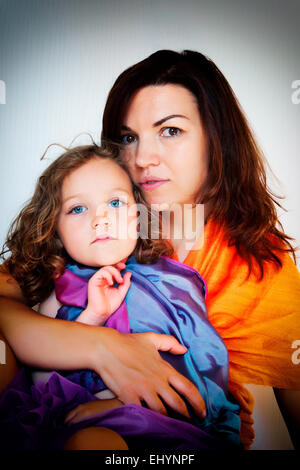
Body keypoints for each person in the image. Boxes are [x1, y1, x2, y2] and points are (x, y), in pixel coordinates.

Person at [0, 49, 299, 449]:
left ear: (217, 140)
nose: (142, 158)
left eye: (170, 131)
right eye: (128, 137)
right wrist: (103, 347)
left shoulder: (257, 262)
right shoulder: (91, 233)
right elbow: (4, 304)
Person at [0, 143, 241, 450]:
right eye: (77, 209)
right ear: (55, 230)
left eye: (115, 203)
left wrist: (117, 406)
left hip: (164, 426)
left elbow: (202, 365)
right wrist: (92, 318)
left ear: (139, 216)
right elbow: (43, 385)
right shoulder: (56, 291)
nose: (100, 219)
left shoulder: (171, 282)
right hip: (79, 424)